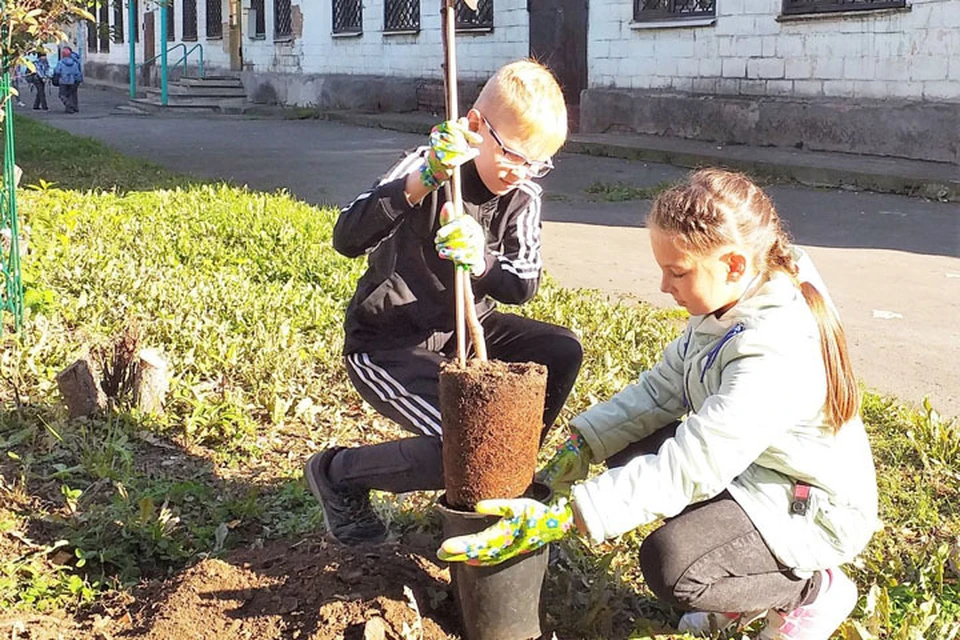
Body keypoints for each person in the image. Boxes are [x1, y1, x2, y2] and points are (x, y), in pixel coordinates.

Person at [439, 169, 880, 640]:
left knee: (674, 565)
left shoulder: (775, 350)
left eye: (677, 272)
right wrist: (583, 444)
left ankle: (810, 591)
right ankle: (747, 575)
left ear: (733, 264)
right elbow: (661, 390)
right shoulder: (730, 300)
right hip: (753, 469)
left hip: (808, 505)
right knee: (633, 446)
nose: (664, 286)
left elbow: (693, 464)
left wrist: (567, 515)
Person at [304, 59, 583, 546]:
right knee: (464, 440)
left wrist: (482, 262)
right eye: (515, 156)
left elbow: (522, 283)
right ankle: (337, 474)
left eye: (538, 163)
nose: (522, 173)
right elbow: (347, 237)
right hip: (388, 342)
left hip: (469, 328)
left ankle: (505, 472)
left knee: (561, 352)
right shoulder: (428, 165)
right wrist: (424, 180)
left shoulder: (523, 196)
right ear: (475, 126)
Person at [54, 46, 82, 113]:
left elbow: (57, 71)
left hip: (63, 81)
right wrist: (78, 80)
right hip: (72, 81)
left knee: (62, 95)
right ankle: (71, 108)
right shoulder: (74, 63)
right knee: (71, 94)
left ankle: (69, 105)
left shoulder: (60, 62)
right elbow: (77, 72)